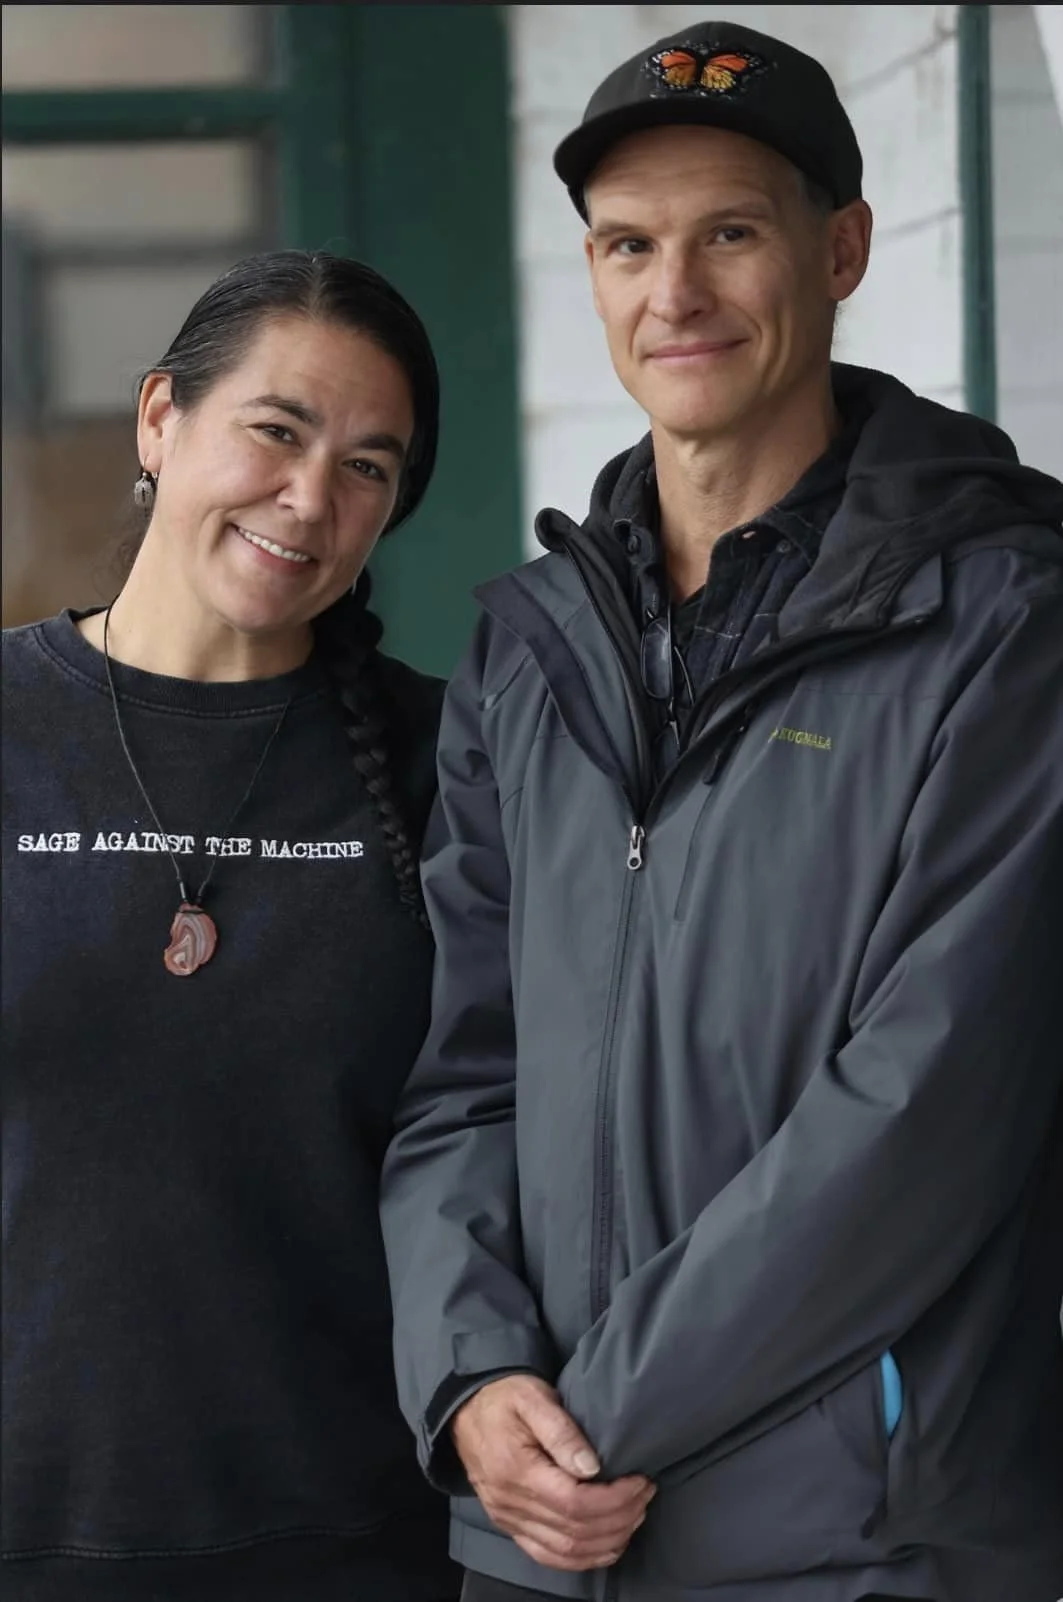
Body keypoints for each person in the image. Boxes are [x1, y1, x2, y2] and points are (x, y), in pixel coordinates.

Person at [379, 19, 1063, 1602]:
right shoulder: (530, 648)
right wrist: (475, 1380)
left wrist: (589, 1431)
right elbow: (460, 1071)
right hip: (542, 1541)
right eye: (629, 244)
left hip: (861, 1543)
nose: (672, 293)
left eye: (729, 235)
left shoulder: (1000, 621)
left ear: (842, 250)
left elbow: (929, 1106)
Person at [2, 250, 460, 1602]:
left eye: (367, 466)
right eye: (276, 430)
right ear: (161, 417)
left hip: (354, 1544)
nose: (311, 497)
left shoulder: (453, 762)